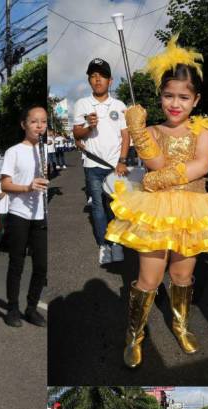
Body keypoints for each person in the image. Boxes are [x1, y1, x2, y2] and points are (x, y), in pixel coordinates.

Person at [105, 36, 208, 368]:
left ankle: (181, 325)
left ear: (195, 100)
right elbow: (152, 163)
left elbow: (203, 165)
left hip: (192, 211)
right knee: (149, 279)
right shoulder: (152, 130)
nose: (175, 103)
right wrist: (137, 131)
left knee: (182, 276)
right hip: (156, 212)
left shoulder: (204, 132)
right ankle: (134, 334)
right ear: (160, 97)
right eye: (169, 96)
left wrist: (166, 177)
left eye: (183, 97)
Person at [72, 58, 129, 265]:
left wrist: (123, 160)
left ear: (110, 80)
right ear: (89, 80)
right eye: (93, 76)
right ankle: (104, 245)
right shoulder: (82, 104)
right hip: (92, 166)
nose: (98, 79)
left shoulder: (120, 105)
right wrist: (88, 126)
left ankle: (117, 243)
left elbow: (126, 136)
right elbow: (76, 133)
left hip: (116, 167)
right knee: (97, 207)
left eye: (102, 76)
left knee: (116, 207)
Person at [0, 105, 48, 327]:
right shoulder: (14, 151)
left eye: (44, 122)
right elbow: (5, 184)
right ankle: (12, 308)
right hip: (19, 213)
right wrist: (28, 187)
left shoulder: (45, 151)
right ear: (24, 125)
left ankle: (31, 308)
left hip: (40, 214)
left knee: (41, 265)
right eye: (34, 121)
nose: (39, 126)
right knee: (16, 263)